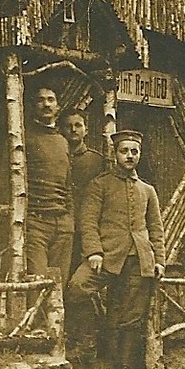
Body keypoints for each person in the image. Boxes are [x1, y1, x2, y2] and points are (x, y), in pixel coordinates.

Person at [69, 130, 166, 369]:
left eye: (134, 151)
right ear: (115, 154)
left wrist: (159, 261)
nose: (130, 156)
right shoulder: (99, 185)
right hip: (106, 257)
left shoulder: (147, 190)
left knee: (130, 322)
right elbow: (87, 221)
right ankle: (88, 339)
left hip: (139, 262)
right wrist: (94, 252)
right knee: (77, 288)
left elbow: (156, 229)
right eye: (125, 151)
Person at [23, 86, 73, 281]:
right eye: (40, 100)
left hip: (62, 224)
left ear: (58, 106)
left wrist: (69, 222)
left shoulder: (63, 141)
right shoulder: (24, 138)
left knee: (60, 284)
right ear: (33, 106)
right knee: (38, 282)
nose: (46, 104)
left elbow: (68, 186)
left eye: (51, 100)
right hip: (36, 222)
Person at [62, 107, 107, 269]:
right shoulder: (57, 157)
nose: (73, 129)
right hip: (62, 226)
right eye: (68, 126)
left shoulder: (96, 160)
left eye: (78, 125)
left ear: (86, 130)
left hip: (87, 229)